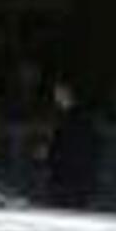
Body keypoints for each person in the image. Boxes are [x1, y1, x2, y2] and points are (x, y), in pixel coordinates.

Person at [42, 78, 101, 209]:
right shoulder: (80, 117)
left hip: (69, 177)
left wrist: (50, 154)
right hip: (76, 176)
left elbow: (64, 146)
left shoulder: (70, 118)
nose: (56, 97)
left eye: (58, 94)